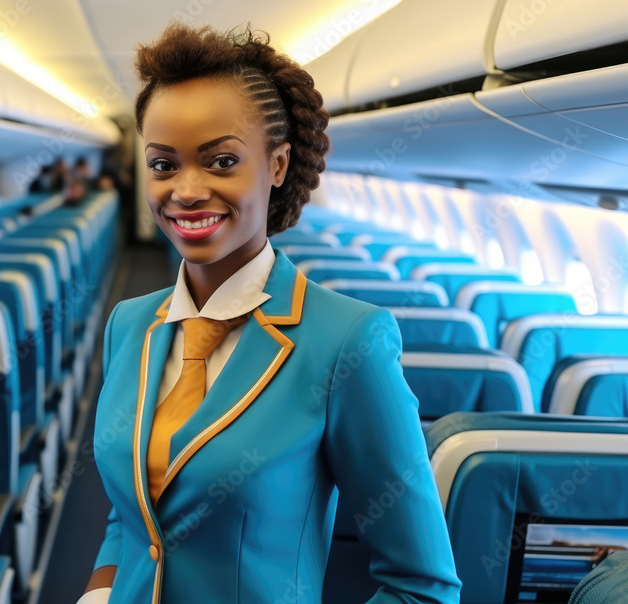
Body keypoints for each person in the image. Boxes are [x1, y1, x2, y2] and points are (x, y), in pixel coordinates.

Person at [78, 24, 462, 604]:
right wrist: (100, 589)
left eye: (221, 161)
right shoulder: (129, 324)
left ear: (278, 164)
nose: (185, 190)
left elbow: (422, 586)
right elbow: (134, 511)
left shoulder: (346, 342)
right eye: (163, 165)